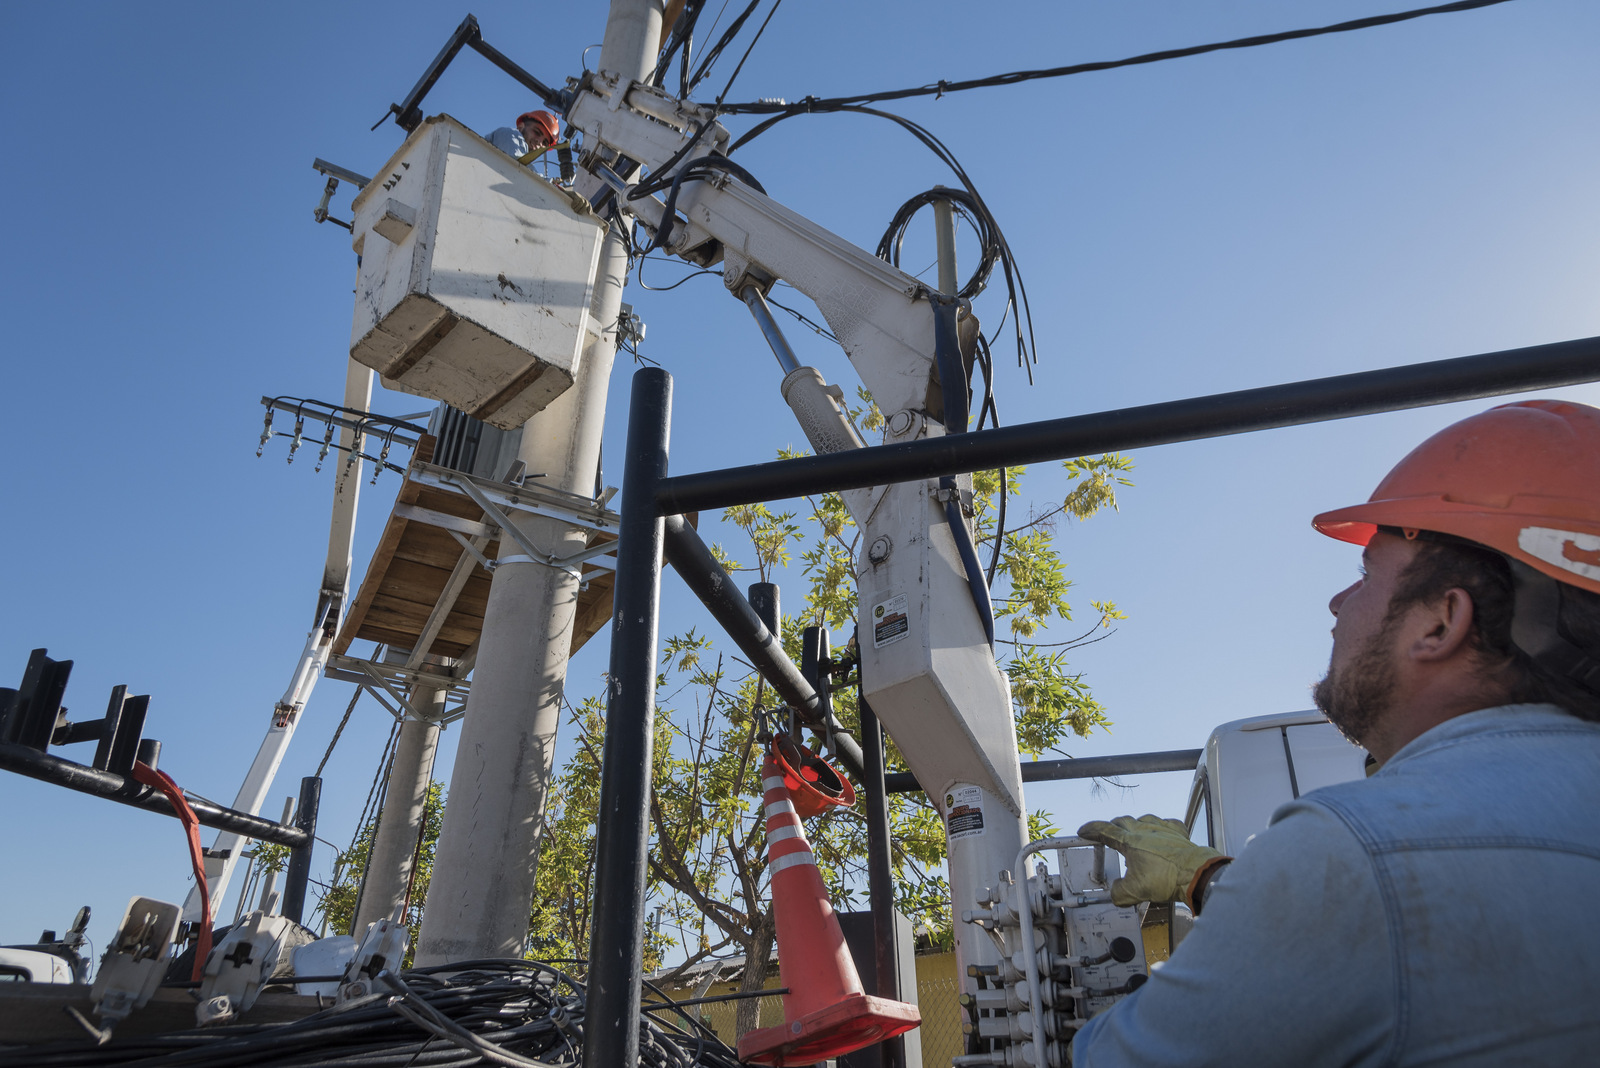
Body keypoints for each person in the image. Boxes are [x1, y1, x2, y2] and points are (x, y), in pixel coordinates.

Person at [1073, 399, 1600, 1065]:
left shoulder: (1350, 852)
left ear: (1442, 621)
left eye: (1365, 575)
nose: (1337, 603)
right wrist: (1208, 877)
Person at [486, 109, 560, 166]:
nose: (539, 142)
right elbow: (515, 164)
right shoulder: (509, 134)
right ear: (520, 126)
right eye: (537, 132)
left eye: (544, 143)